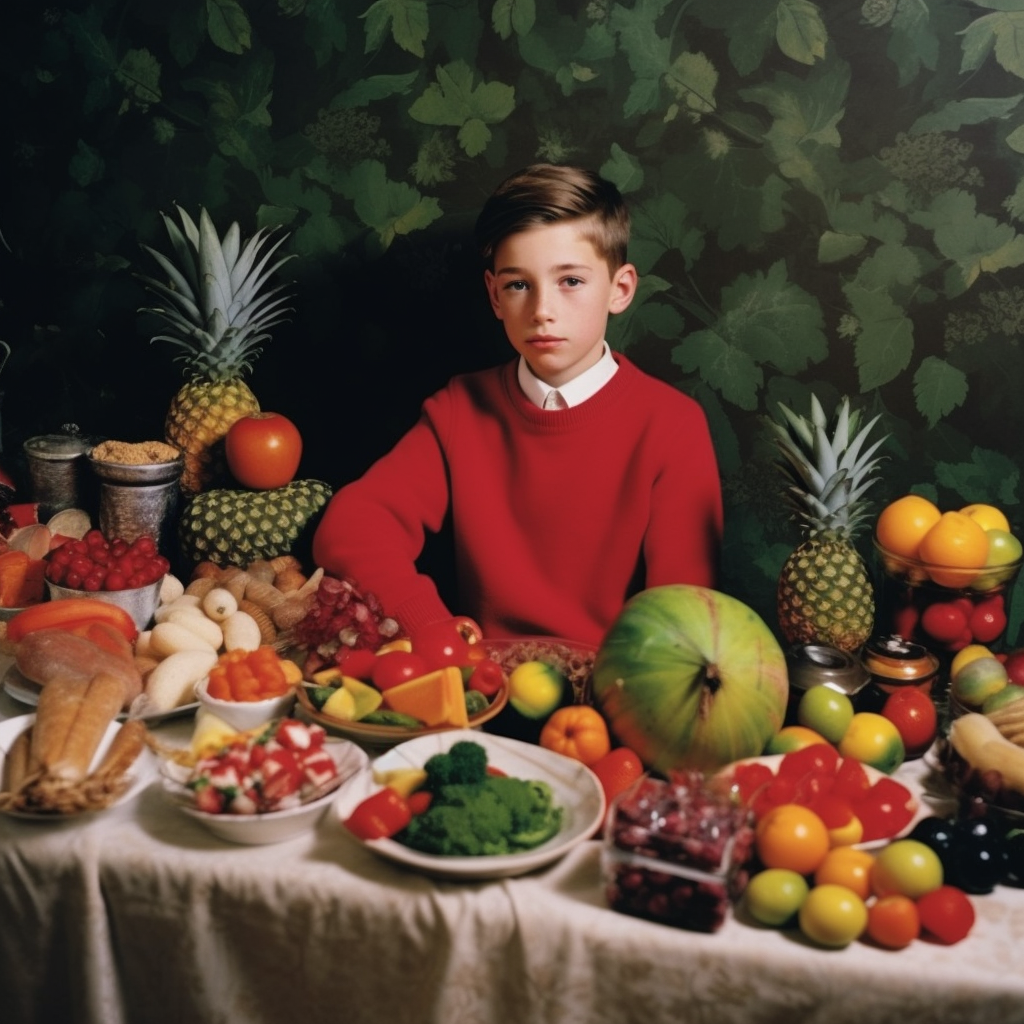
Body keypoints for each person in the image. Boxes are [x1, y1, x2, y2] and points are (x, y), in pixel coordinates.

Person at [312, 163, 722, 648]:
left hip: (616, 696)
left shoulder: (672, 426)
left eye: (570, 281)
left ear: (621, 289)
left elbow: (684, 611)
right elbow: (352, 526)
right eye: (518, 285)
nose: (542, 309)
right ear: (494, 296)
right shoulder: (460, 409)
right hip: (479, 687)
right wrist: (434, 632)